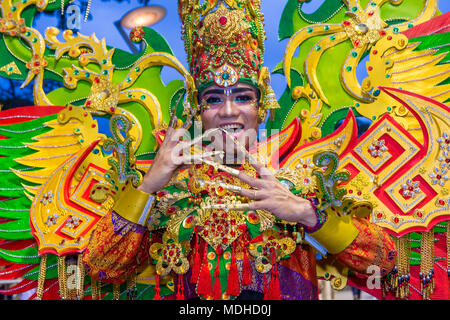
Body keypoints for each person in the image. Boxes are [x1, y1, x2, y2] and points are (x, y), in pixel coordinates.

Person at [82, 0, 396, 300]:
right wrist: (148, 186)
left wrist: (306, 213)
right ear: (198, 110)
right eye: (214, 99)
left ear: (261, 107)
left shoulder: (298, 179)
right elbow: (99, 266)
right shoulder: (170, 192)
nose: (229, 111)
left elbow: (382, 262)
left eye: (243, 97)